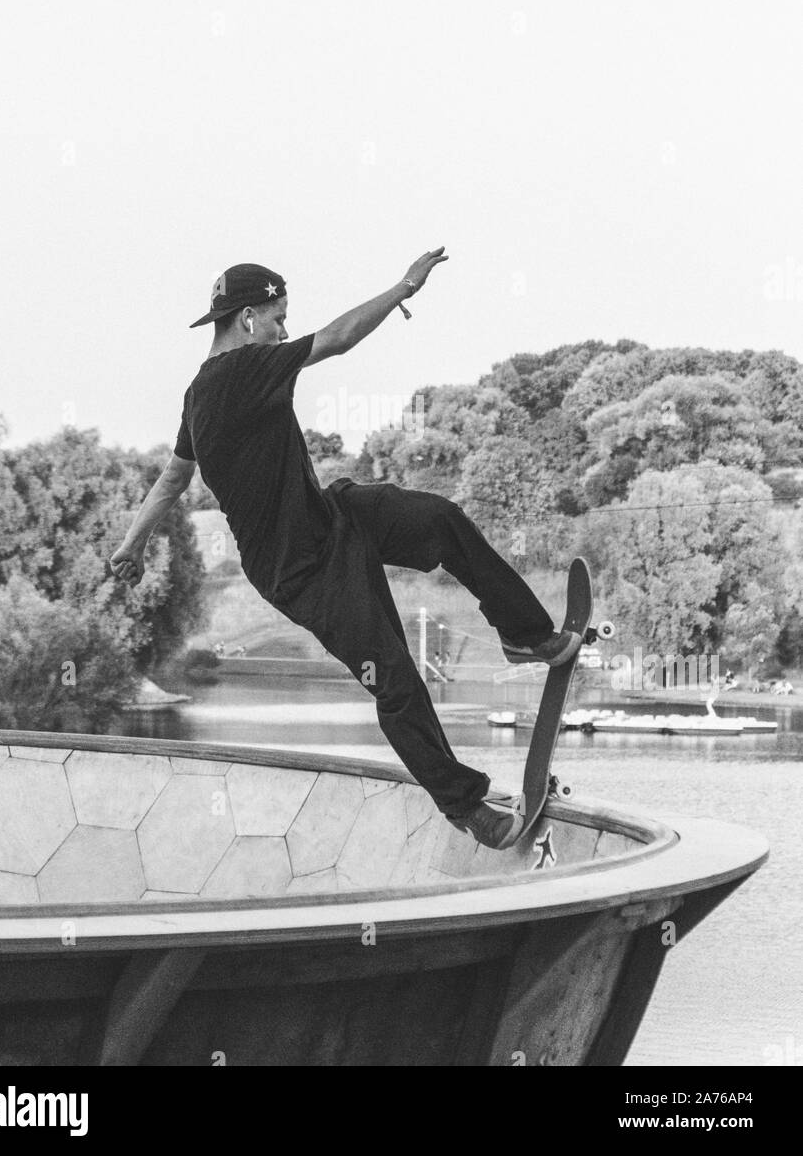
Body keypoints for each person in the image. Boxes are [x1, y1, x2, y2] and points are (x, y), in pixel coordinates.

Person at [110, 254, 578, 850]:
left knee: (439, 520)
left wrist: (132, 542)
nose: (284, 330)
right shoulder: (237, 373)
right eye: (279, 318)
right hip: (300, 568)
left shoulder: (199, 395)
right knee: (395, 677)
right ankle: (465, 807)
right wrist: (406, 286)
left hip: (334, 517)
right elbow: (337, 339)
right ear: (249, 319)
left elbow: (174, 479)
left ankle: (523, 633)